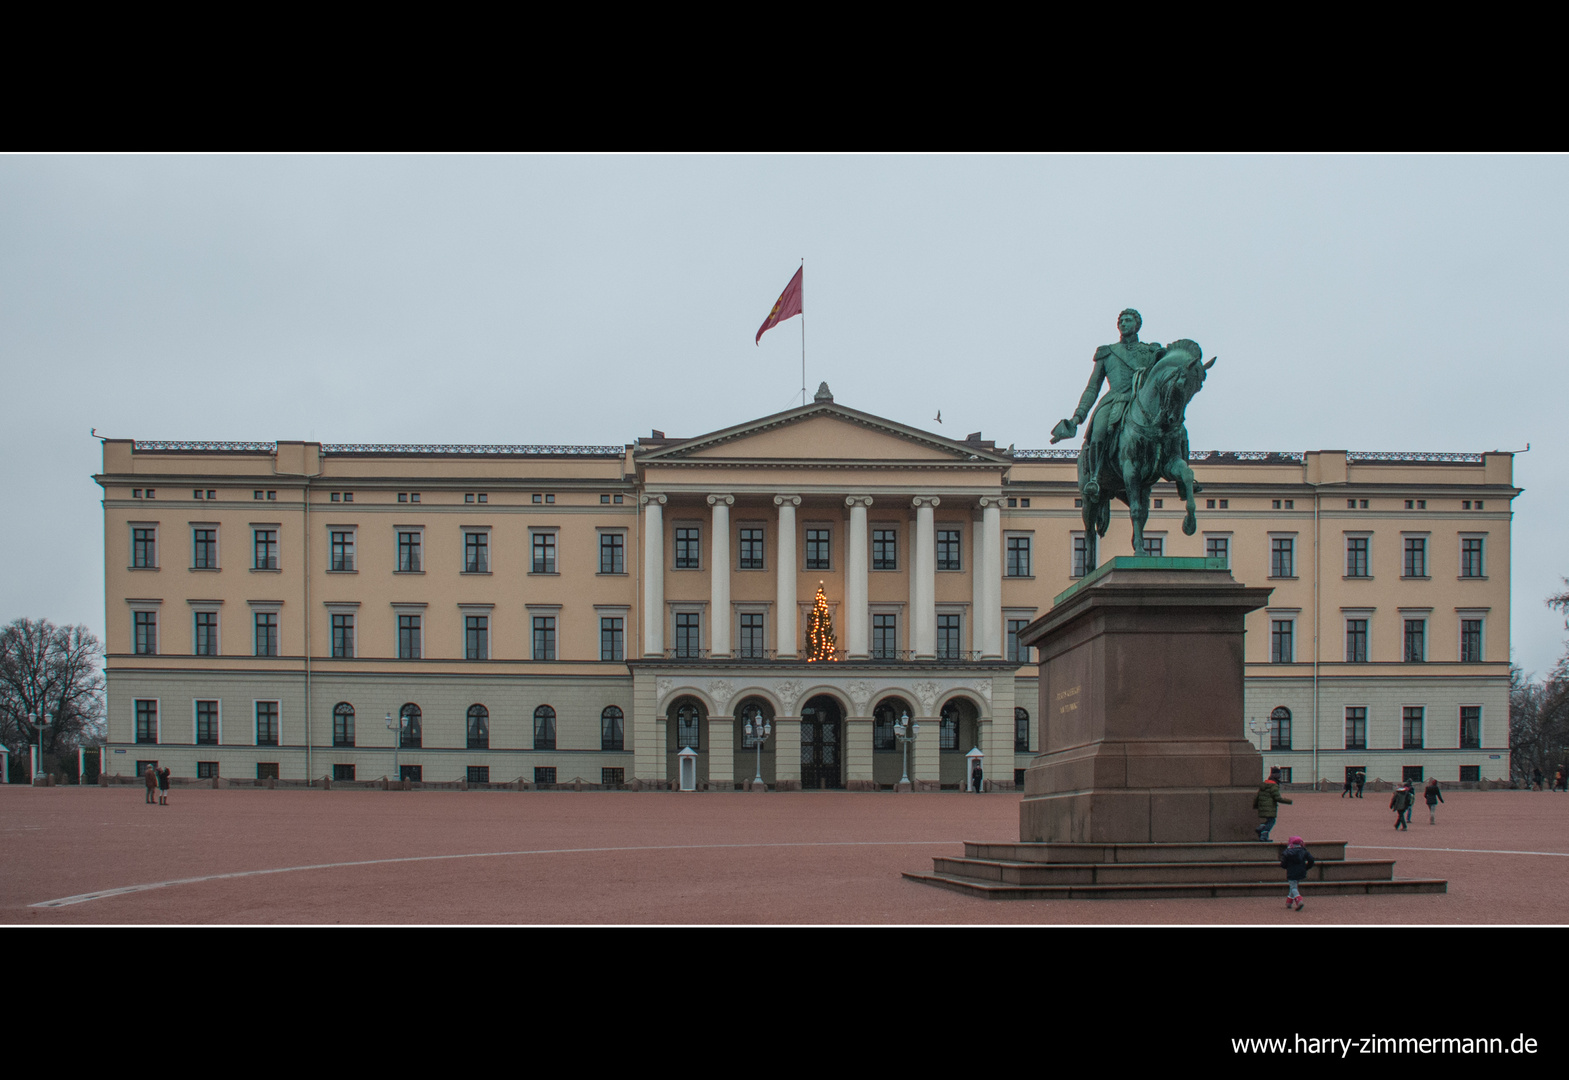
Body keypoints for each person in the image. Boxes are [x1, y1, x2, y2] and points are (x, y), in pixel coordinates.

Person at [1050, 308, 1165, 501]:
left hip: (1141, 402)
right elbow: (1093, 387)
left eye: (1128, 320)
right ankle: (1094, 477)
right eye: (1121, 320)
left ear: (1137, 325)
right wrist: (1078, 416)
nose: (1123, 323)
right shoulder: (1108, 352)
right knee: (1099, 430)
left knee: (1172, 427)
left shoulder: (1150, 351)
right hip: (1114, 400)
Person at [1254, 767, 1291, 842]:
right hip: (1270, 807)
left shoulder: (1264, 784)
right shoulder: (1274, 786)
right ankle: (1263, 835)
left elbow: (1257, 796)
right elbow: (1277, 798)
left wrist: (1256, 806)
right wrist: (1288, 801)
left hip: (1262, 807)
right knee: (1271, 821)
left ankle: (1261, 828)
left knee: (1268, 821)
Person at [1280, 835, 1315, 911]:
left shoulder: (1287, 852)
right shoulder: (1303, 851)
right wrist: (1306, 867)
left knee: (1293, 887)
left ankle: (1299, 900)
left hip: (1291, 871)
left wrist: (1286, 867)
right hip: (1301, 871)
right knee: (1294, 885)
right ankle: (1289, 902)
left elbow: (1283, 864)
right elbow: (1311, 860)